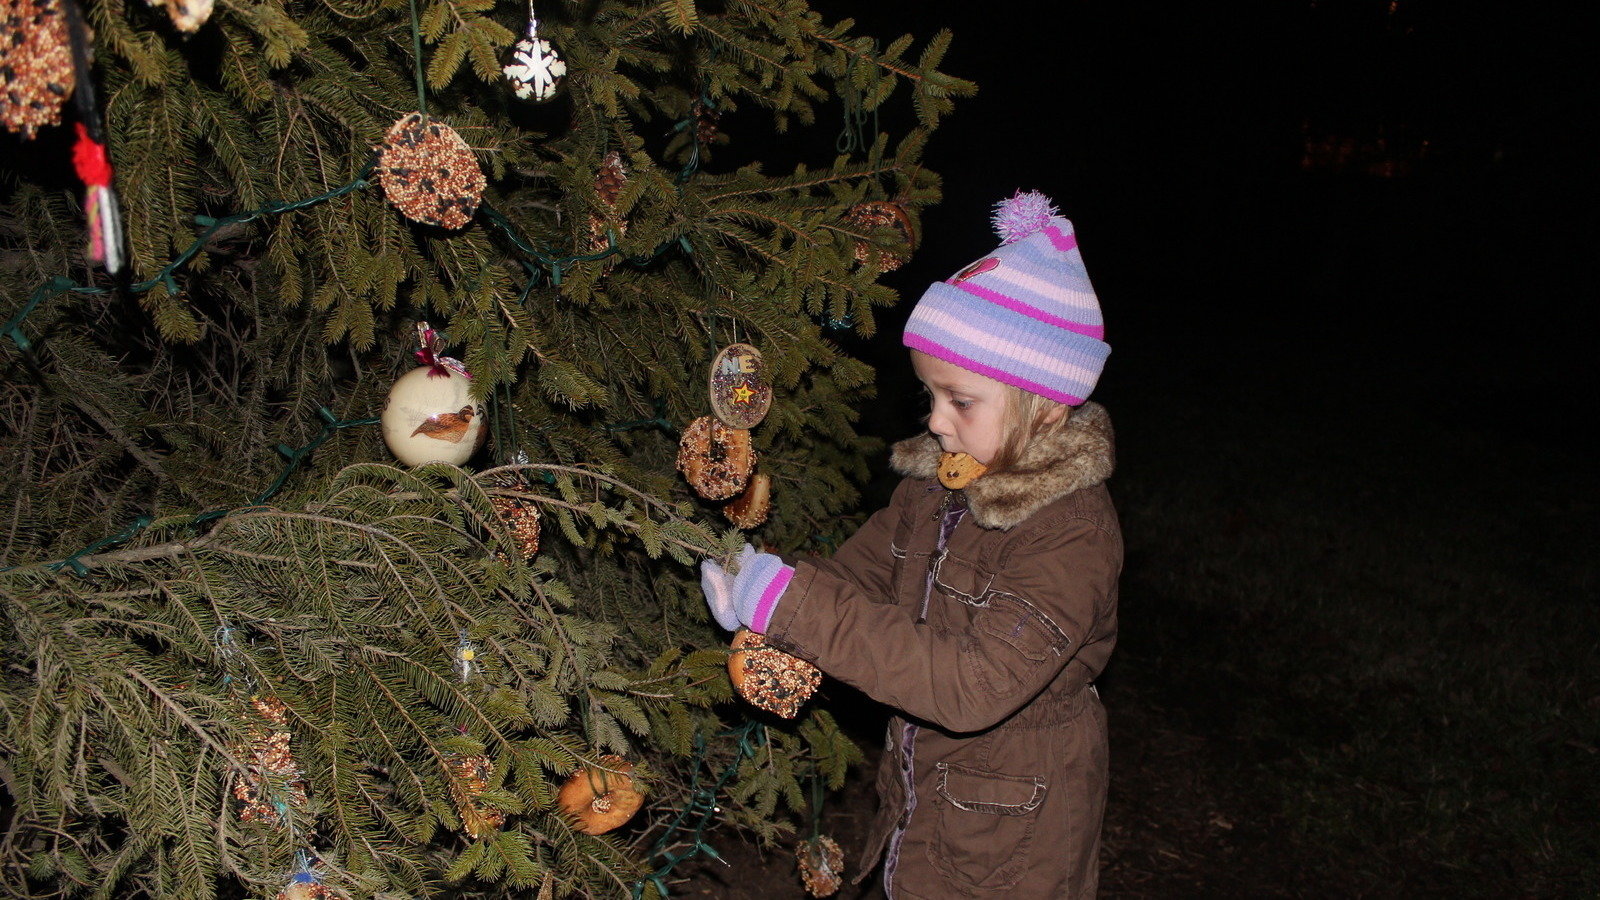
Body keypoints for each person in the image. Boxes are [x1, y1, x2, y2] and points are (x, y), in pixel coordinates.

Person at [702, 191, 1121, 898]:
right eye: (930, 395)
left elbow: (971, 686)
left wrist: (791, 605)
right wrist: (765, 590)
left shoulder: (1069, 533)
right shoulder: (936, 490)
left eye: (960, 401)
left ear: (1044, 402)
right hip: (930, 797)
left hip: (1017, 836)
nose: (935, 421)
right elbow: (859, 576)